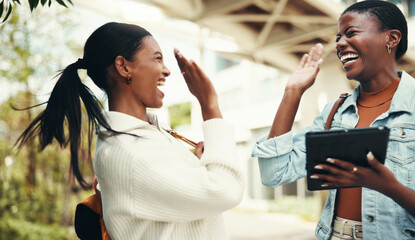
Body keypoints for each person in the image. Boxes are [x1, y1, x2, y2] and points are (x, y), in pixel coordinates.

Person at [16, 22, 244, 240]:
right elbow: (225, 191)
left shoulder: (144, 137)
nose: (166, 71)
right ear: (123, 66)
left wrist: (196, 165)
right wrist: (210, 106)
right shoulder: (130, 152)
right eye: (157, 58)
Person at [251, 1, 415, 239]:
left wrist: (391, 189)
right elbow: (274, 173)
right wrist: (292, 93)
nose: (339, 43)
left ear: (392, 38)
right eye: (338, 37)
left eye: (351, 33)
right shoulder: (334, 111)